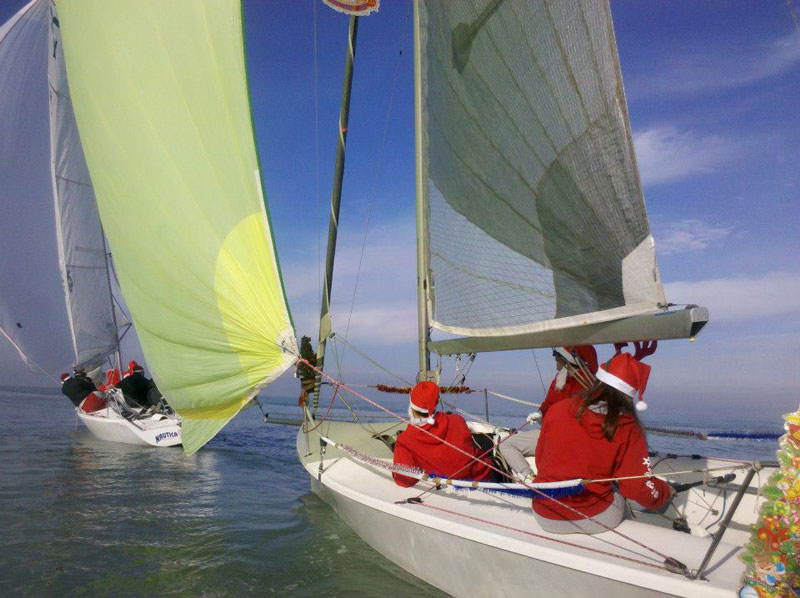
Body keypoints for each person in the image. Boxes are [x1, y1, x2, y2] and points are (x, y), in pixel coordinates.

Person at [531, 352, 673, 534]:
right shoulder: (626, 425)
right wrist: (665, 492)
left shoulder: (556, 409)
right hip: (592, 515)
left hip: (544, 514)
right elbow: (638, 488)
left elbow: (541, 461)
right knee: (622, 495)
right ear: (629, 395)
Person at [498, 345, 597, 481]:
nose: (555, 360)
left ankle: (537, 479)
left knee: (507, 445)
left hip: (568, 439)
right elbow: (548, 403)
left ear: (568, 362)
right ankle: (529, 477)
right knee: (507, 444)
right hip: (551, 433)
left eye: (558, 357)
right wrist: (541, 414)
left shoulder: (586, 384)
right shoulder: (560, 379)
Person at [392, 381, 495, 487]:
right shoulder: (457, 420)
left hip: (457, 487)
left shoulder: (405, 440)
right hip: (485, 476)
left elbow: (405, 480)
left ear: (411, 407)